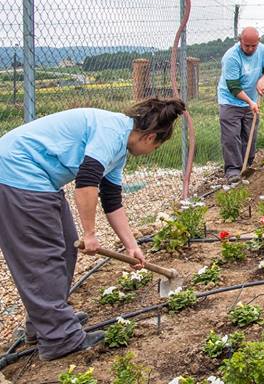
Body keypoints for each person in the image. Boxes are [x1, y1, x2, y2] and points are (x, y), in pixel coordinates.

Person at [0, 97, 185, 360]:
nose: (152, 152)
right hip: (16, 174)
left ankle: (45, 321)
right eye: (156, 147)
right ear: (150, 137)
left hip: (37, 179)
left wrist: (131, 246)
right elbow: (87, 182)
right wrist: (90, 234)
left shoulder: (119, 146)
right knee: (43, 256)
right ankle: (59, 337)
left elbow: (112, 200)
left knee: (64, 246)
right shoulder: (112, 132)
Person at [217, 27, 264, 183]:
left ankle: (246, 165)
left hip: (252, 99)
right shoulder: (231, 57)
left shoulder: (262, 50)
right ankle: (233, 170)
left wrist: (262, 80)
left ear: (258, 42)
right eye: (246, 45)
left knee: (249, 135)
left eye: (253, 46)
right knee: (231, 136)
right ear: (240, 40)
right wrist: (250, 102)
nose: (250, 49)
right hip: (230, 101)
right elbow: (234, 87)